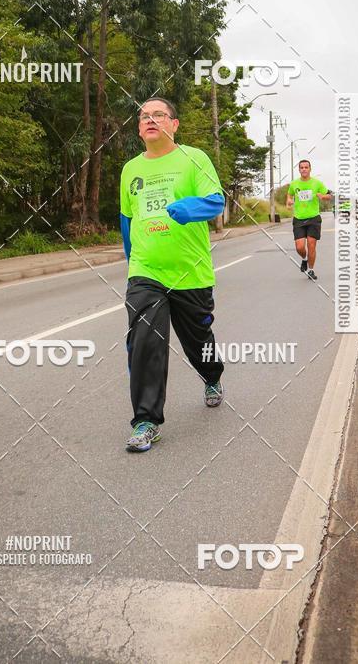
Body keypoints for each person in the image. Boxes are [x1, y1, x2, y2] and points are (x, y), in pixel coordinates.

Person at [119, 98, 225, 452]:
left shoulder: (194, 158)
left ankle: (211, 376)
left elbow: (216, 201)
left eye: (158, 115)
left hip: (191, 272)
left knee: (198, 340)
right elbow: (127, 220)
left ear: (174, 124)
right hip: (146, 271)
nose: (150, 120)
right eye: (144, 116)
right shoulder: (130, 169)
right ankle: (146, 420)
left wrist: (188, 208)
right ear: (139, 128)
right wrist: (134, 265)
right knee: (146, 340)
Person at [286, 159, 332, 281]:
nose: (304, 169)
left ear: (310, 169)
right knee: (300, 247)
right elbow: (289, 195)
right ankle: (304, 260)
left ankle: (311, 270)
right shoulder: (294, 184)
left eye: (306, 167)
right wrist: (289, 201)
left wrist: (323, 197)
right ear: (299, 170)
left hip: (314, 219)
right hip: (299, 219)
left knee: (311, 245)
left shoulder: (317, 183)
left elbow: (329, 195)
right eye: (302, 167)